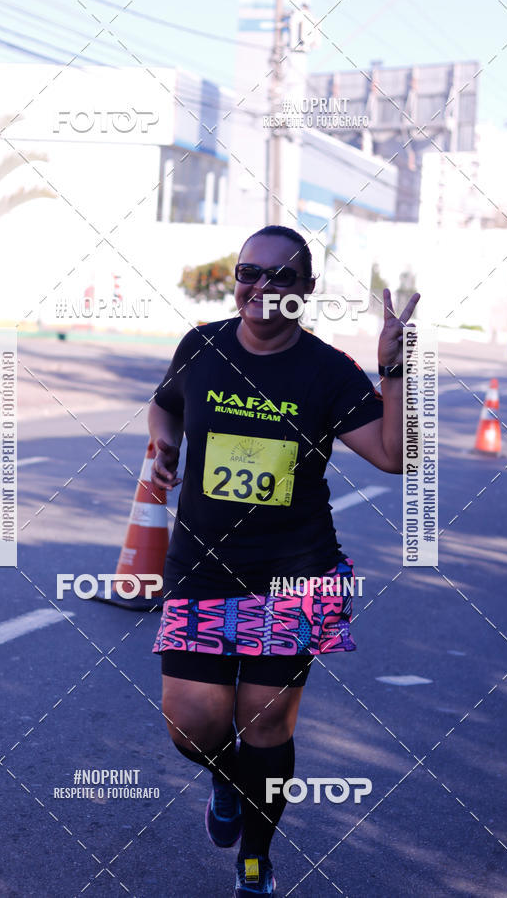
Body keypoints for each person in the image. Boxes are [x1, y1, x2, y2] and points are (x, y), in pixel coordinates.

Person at [148, 224, 419, 896]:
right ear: (236, 279)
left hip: (293, 574)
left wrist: (393, 368)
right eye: (250, 272)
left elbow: (394, 455)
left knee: (265, 722)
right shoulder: (203, 345)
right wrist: (164, 447)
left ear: (306, 291)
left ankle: (255, 863)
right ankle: (224, 780)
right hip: (203, 568)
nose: (261, 288)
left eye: (281, 277)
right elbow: (163, 407)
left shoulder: (327, 371)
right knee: (191, 723)